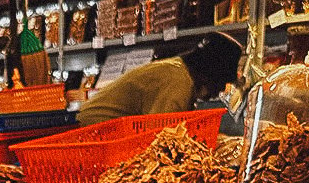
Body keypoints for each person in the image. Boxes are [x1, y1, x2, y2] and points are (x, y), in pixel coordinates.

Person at [75, 33, 243, 126]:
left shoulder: (179, 72)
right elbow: (162, 139)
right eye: (220, 82)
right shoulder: (179, 81)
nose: (219, 91)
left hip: (99, 128)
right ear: (210, 73)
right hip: (95, 130)